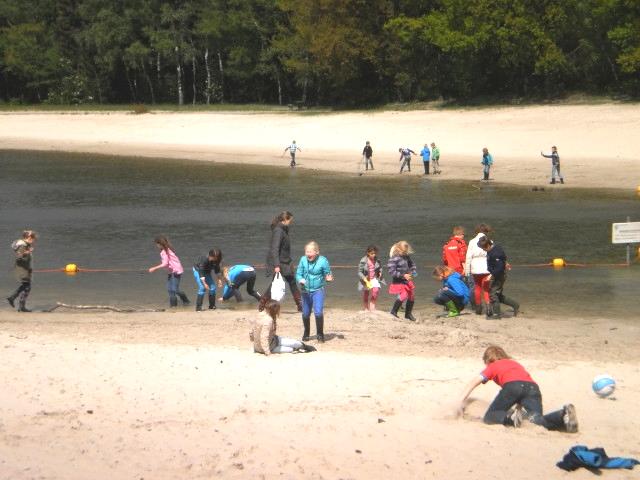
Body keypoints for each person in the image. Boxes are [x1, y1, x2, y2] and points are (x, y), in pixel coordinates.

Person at [456, 345, 579, 433]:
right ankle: (562, 415)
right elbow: (523, 385)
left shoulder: (492, 366)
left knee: (490, 416)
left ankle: (510, 418)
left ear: (488, 360)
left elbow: (473, 382)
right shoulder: (515, 364)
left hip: (512, 386)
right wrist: (519, 406)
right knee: (536, 420)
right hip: (533, 387)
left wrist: (458, 402)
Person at [259, 211, 303, 312]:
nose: (291, 222)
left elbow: (284, 248)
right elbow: (275, 248)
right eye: (290, 220)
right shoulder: (278, 230)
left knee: (288, 282)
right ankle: (262, 303)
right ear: (285, 220)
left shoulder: (283, 229)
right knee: (279, 284)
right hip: (279, 262)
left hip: (285, 261)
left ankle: (300, 305)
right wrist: (277, 265)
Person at [296, 241, 333, 342]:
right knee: (305, 313)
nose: (308, 254)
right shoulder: (303, 260)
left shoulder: (323, 260)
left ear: (317, 252)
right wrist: (300, 279)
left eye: (310, 252)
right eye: (306, 252)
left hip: (318, 290)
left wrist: (329, 278)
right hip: (305, 291)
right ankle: (306, 332)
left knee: (318, 312)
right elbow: (298, 274)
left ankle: (320, 334)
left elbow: (328, 274)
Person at [250, 299, 316, 355]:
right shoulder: (268, 320)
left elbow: (252, 331)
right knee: (291, 348)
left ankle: (303, 346)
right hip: (269, 347)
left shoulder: (259, 314)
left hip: (261, 345)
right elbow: (264, 337)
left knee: (294, 343)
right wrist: (267, 353)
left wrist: (254, 341)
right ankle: (303, 347)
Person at [477, 237, 519, 319]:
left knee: (493, 294)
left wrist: (491, 275)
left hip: (499, 275)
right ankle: (515, 305)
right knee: (497, 295)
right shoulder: (493, 249)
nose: (483, 250)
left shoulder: (496, 253)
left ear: (489, 245)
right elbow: (503, 259)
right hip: (496, 274)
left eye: (484, 248)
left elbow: (499, 268)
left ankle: (496, 314)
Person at [148, 236, 190, 308]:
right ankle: (173, 306)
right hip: (171, 271)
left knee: (175, 290)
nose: (156, 246)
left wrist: (154, 268)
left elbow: (165, 264)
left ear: (160, 244)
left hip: (176, 271)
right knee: (170, 289)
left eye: (157, 244)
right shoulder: (167, 249)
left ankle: (185, 300)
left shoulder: (165, 251)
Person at [464, 224, 493, 315]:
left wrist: (467, 271)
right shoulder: (490, 241)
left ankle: (478, 308)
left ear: (477, 231)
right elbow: (492, 255)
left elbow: (468, 257)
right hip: (486, 267)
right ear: (486, 231)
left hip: (475, 268)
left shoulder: (472, 241)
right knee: (486, 288)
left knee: (477, 287)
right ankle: (488, 307)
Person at [7, 230, 37, 312]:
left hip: (25, 268)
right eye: (33, 238)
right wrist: (28, 252)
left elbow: (25, 258)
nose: (34, 240)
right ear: (29, 237)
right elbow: (19, 257)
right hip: (22, 269)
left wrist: (29, 268)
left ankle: (17, 303)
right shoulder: (22, 245)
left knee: (26, 286)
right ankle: (16, 301)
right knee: (27, 286)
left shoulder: (26, 244)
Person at [388, 241, 417, 321]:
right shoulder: (394, 258)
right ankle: (393, 311)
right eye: (403, 251)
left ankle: (408, 314)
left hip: (407, 280)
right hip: (399, 281)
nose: (405, 253)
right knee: (404, 295)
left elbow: (412, 265)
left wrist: (413, 271)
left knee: (411, 296)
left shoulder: (406, 256)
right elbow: (391, 272)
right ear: (398, 249)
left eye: (406, 251)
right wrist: (403, 275)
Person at [358, 245, 383, 311]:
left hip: (374, 279)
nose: (374, 255)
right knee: (366, 293)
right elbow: (359, 272)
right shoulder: (363, 261)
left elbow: (380, 267)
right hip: (366, 279)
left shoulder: (377, 260)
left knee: (376, 291)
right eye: (372, 253)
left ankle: (372, 307)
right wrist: (365, 279)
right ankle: (366, 308)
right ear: (368, 253)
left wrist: (380, 272)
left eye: (375, 253)